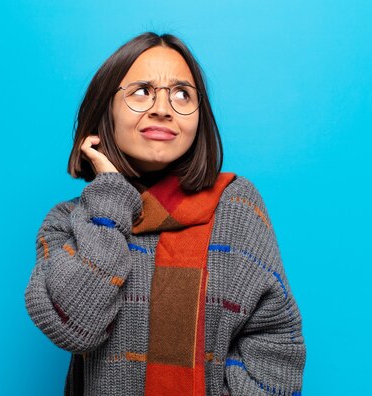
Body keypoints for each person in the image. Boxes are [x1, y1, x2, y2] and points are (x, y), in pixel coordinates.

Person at [25, 32, 306, 396]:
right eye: (141, 91)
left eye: (181, 94)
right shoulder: (69, 223)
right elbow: (76, 327)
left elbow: (274, 344)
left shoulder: (234, 207)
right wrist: (110, 197)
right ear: (104, 110)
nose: (163, 108)